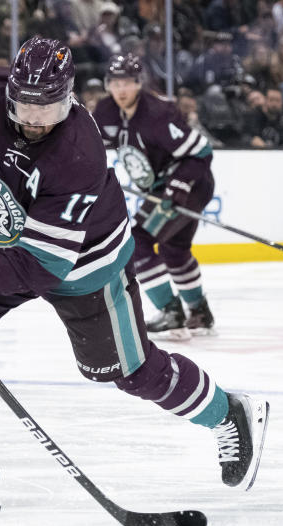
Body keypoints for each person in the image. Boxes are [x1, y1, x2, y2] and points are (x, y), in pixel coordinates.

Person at [0, 36, 270, 517]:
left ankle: (229, 413)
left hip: (84, 264)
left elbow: (43, 264)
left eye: (46, 108)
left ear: (68, 97)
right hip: (6, 234)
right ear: (9, 89)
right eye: (23, 104)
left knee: (130, 373)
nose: (32, 118)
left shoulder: (77, 151)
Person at [92, 53, 218, 339]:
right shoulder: (106, 111)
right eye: (115, 83)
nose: (121, 90)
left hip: (190, 184)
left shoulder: (159, 114)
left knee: (138, 242)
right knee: (174, 250)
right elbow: (90, 145)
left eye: (127, 83)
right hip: (163, 187)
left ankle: (171, 311)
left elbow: (201, 152)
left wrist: (177, 188)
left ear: (139, 83)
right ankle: (199, 311)